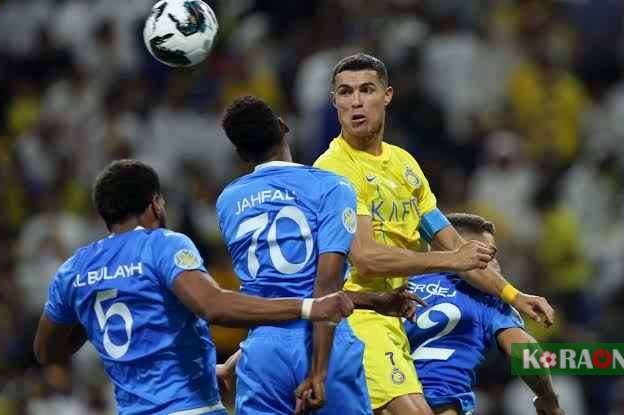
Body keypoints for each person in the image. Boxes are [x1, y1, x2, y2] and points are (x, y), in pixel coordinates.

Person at [312, 53, 555, 415]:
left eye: (366, 90)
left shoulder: (404, 165)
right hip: (355, 316)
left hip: (394, 320)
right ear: (334, 101)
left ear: (387, 95)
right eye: (345, 93)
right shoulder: (334, 169)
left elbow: (458, 249)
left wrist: (514, 294)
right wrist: (558, 393)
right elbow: (364, 256)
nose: (356, 101)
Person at [33, 159, 361, 415]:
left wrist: (92, 318)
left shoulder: (74, 270)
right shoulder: (162, 245)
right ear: (155, 205)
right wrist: (307, 307)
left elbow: (46, 351)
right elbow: (214, 306)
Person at [215, 96, 426, 415]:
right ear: (283, 127)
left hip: (262, 352)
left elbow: (279, 290)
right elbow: (324, 284)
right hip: (324, 344)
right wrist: (318, 372)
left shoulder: (228, 201)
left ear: (240, 153)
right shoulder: (332, 186)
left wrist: (372, 300)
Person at [405, 213, 565, 415]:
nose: (496, 264)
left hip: (381, 400)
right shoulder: (486, 298)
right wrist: (547, 398)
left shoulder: (395, 288)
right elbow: (526, 352)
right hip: (441, 405)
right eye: (489, 254)